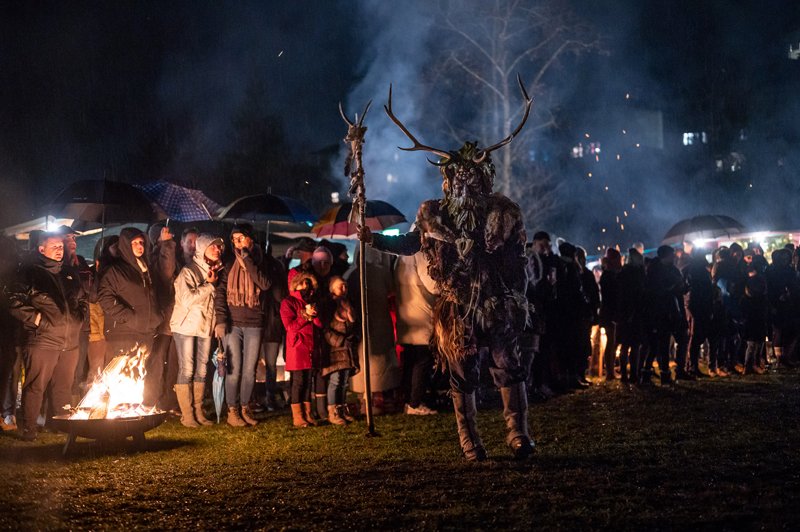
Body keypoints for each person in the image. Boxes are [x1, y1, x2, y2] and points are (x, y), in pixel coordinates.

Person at [361, 89, 534, 460]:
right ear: (448, 181)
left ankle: (517, 432)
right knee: (463, 372)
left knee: (508, 365)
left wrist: (519, 297)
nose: (465, 184)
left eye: (473, 178)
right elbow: (411, 244)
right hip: (457, 308)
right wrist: (373, 239)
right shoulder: (433, 214)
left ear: (484, 180)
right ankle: (469, 440)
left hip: (498, 304)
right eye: (459, 177)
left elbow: (519, 257)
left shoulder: (503, 212)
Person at [8, 233, 87, 441]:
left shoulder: (69, 273)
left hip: (70, 342)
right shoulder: (30, 273)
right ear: (41, 250)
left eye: (61, 246)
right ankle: (29, 427)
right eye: (54, 246)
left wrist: (79, 318)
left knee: (63, 386)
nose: (60, 250)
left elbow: (82, 299)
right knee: (36, 385)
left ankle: (60, 423)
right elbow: (13, 301)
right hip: (43, 340)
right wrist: (37, 320)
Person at [97, 227, 162, 410]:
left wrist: (157, 316)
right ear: (125, 245)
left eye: (141, 242)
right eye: (134, 243)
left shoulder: (145, 268)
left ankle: (132, 411)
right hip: (123, 332)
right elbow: (105, 298)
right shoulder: (116, 271)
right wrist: (128, 317)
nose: (139, 246)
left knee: (138, 373)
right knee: (121, 374)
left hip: (145, 330)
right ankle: (116, 412)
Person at [214, 224, 272, 427]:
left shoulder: (260, 259)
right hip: (233, 323)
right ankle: (232, 411)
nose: (237, 242)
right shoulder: (228, 262)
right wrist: (221, 320)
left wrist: (248, 259)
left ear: (250, 239)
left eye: (241, 238)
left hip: (255, 322)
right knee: (234, 369)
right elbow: (220, 293)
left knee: (250, 370)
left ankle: (245, 408)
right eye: (234, 239)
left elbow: (264, 284)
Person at [170, 234, 224, 427]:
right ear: (202, 249)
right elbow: (187, 300)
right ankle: (187, 415)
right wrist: (210, 286)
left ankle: (198, 412)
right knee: (187, 369)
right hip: (185, 326)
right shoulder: (188, 271)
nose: (218, 250)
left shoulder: (217, 271)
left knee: (202, 369)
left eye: (219, 247)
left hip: (204, 326)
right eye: (213, 247)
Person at [394, 250, 438, 415]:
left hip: (406, 314)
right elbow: (432, 285)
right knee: (423, 361)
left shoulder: (400, 257)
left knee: (410, 361)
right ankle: (415, 402)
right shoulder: (420, 254)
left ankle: (407, 400)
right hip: (422, 313)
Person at [281, 270, 322, 427]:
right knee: (299, 381)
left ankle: (307, 413)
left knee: (308, 381)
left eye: (308, 282)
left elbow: (319, 324)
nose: (307, 285)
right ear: (295, 284)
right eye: (304, 282)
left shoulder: (310, 301)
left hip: (310, 346)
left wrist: (315, 315)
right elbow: (290, 327)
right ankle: (297, 416)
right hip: (297, 347)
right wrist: (304, 315)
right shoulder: (288, 303)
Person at [322, 276, 359, 424]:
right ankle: (333, 411)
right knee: (336, 380)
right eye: (340, 286)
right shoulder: (329, 306)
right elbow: (325, 329)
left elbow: (354, 325)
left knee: (344, 381)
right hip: (335, 350)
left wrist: (353, 337)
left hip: (347, 349)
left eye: (345, 286)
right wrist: (340, 340)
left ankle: (342, 408)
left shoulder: (348, 304)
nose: (344, 289)